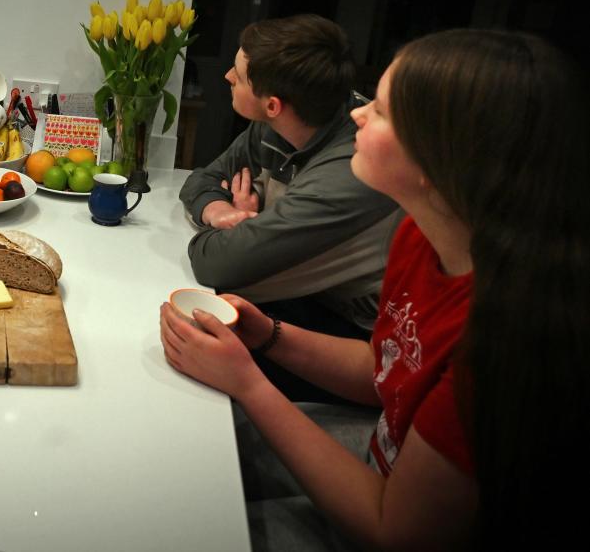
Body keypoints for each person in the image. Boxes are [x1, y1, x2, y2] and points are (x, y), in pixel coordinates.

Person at [160, 29, 589, 549]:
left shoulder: (504, 342)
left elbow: (396, 532)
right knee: (181, 456)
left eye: (382, 111)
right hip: (382, 447)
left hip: (391, 514)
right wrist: (269, 335)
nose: (358, 114)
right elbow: (385, 371)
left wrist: (249, 383)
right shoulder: (419, 237)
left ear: (443, 158)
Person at [180, 15, 401, 342]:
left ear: (273, 105)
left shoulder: (355, 167)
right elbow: (202, 180)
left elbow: (215, 262)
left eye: (238, 76)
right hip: (298, 295)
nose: (227, 76)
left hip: (355, 333)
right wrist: (218, 210)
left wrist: (253, 227)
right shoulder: (276, 126)